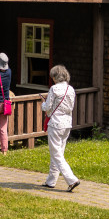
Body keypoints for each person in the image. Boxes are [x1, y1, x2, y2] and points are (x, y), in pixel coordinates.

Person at [41, 64, 80, 192]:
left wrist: (43, 104)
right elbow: (70, 107)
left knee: (56, 154)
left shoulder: (54, 89)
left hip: (55, 124)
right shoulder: (71, 89)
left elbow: (47, 107)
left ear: (55, 77)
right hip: (67, 124)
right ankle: (51, 181)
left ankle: (71, 179)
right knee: (58, 152)